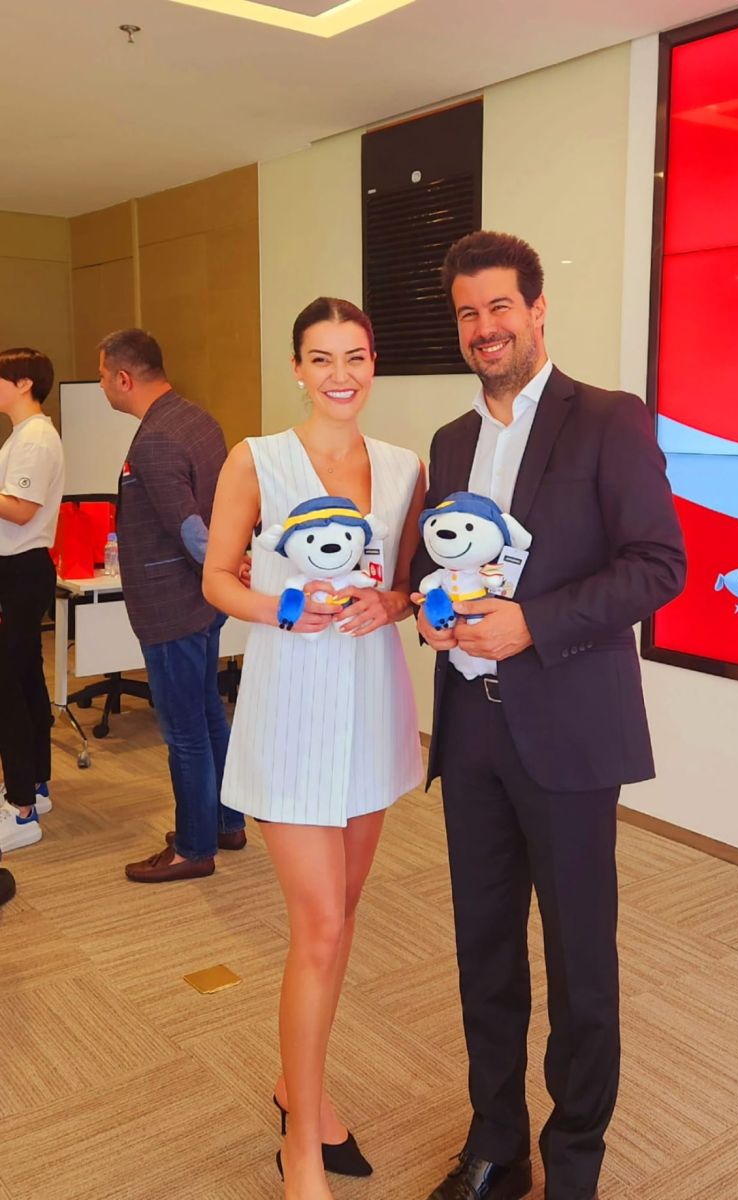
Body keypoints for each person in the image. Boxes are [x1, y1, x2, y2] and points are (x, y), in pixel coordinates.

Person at [411, 231, 687, 1200]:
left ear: (535, 311)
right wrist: (430, 611)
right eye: (467, 313)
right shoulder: (450, 441)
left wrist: (533, 623)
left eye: (499, 307)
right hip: (470, 731)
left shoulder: (607, 419)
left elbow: (658, 565)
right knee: (483, 951)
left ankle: (573, 1166)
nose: (483, 328)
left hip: (567, 731)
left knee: (579, 966)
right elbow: (440, 563)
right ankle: (498, 1144)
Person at [203, 297, 425, 1200]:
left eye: (356, 356)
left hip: (371, 707)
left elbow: (408, 584)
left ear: (374, 364)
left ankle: (299, 1085)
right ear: (297, 368)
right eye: (322, 358)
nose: (341, 375)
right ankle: (300, 1146)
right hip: (291, 707)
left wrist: (394, 603)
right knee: (320, 926)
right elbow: (218, 580)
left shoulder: (404, 467)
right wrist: (285, 607)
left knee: (345, 915)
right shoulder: (255, 459)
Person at [97, 328, 246, 882]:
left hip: (172, 605)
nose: (102, 386)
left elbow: (188, 527)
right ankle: (225, 822)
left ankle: (192, 847)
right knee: (207, 714)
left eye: (102, 376)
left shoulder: (155, 439)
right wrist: (227, 569)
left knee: (184, 731)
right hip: (201, 603)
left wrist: (220, 568)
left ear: (124, 378)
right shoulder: (197, 418)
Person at [0, 347, 64, 856]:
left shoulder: (36, 438)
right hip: (17, 569)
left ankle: (20, 807)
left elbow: (21, 510)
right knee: (23, 678)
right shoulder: (23, 436)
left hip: (20, 570)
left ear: (23, 383)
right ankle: (36, 787)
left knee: (8, 687)